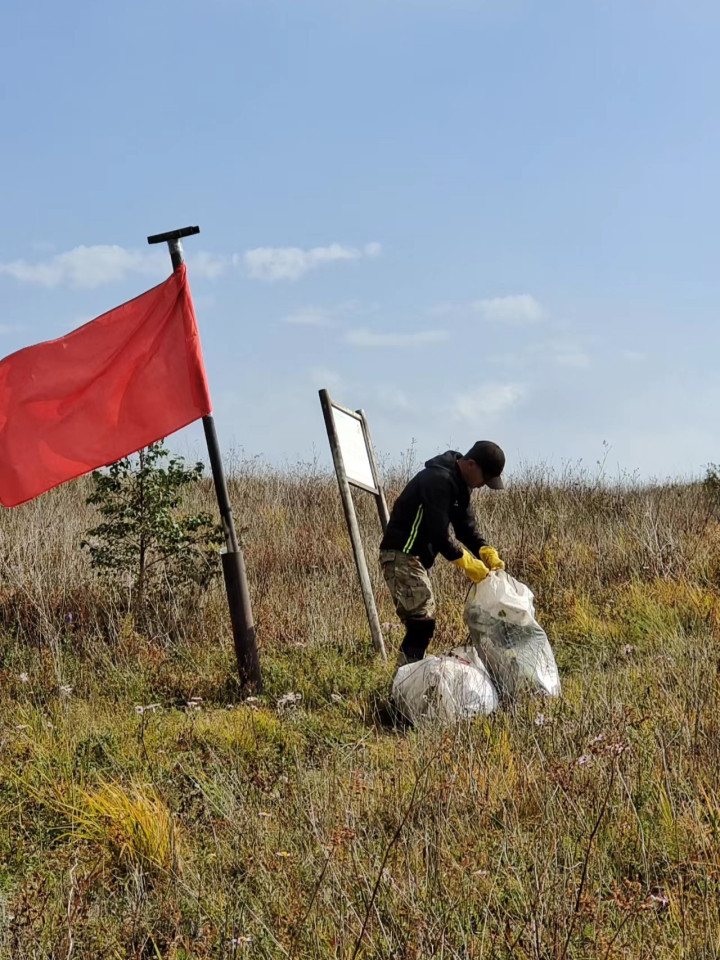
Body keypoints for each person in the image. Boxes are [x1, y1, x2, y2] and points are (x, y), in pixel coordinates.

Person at [379, 441, 506, 666]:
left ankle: (408, 672)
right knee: (422, 622)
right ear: (471, 464)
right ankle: (405, 676)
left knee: (420, 623)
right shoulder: (437, 480)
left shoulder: (460, 485)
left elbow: (465, 528)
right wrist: (468, 563)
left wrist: (485, 550)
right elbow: (438, 534)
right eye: (484, 478)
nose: (482, 485)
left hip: (414, 559)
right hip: (401, 554)